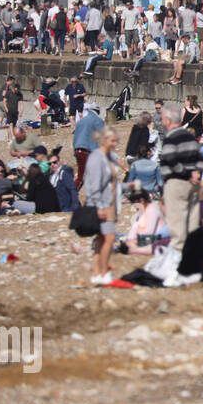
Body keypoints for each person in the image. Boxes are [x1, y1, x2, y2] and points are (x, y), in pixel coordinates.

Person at [82, 125, 122, 286]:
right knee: (109, 238)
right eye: (113, 141)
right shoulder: (96, 158)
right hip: (102, 205)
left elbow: (112, 183)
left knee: (100, 238)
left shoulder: (110, 157)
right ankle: (104, 272)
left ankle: (97, 273)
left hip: (111, 203)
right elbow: (92, 185)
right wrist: (98, 207)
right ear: (104, 140)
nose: (115, 144)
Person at [73, 102, 105, 189]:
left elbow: (75, 138)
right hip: (88, 152)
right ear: (98, 112)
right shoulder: (98, 121)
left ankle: (72, 194)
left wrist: (74, 153)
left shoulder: (81, 121)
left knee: (81, 177)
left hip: (78, 150)